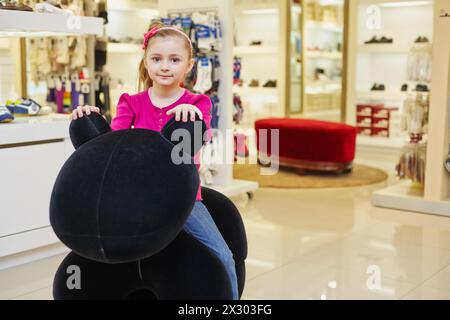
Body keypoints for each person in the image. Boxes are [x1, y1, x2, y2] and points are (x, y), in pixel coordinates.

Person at [71, 21, 239, 300]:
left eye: (174, 60)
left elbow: (203, 136)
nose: (164, 66)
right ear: (146, 62)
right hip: (139, 197)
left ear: (188, 65)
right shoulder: (131, 102)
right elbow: (114, 145)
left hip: (185, 200)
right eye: (157, 59)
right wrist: (90, 115)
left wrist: (190, 114)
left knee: (222, 254)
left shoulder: (199, 103)